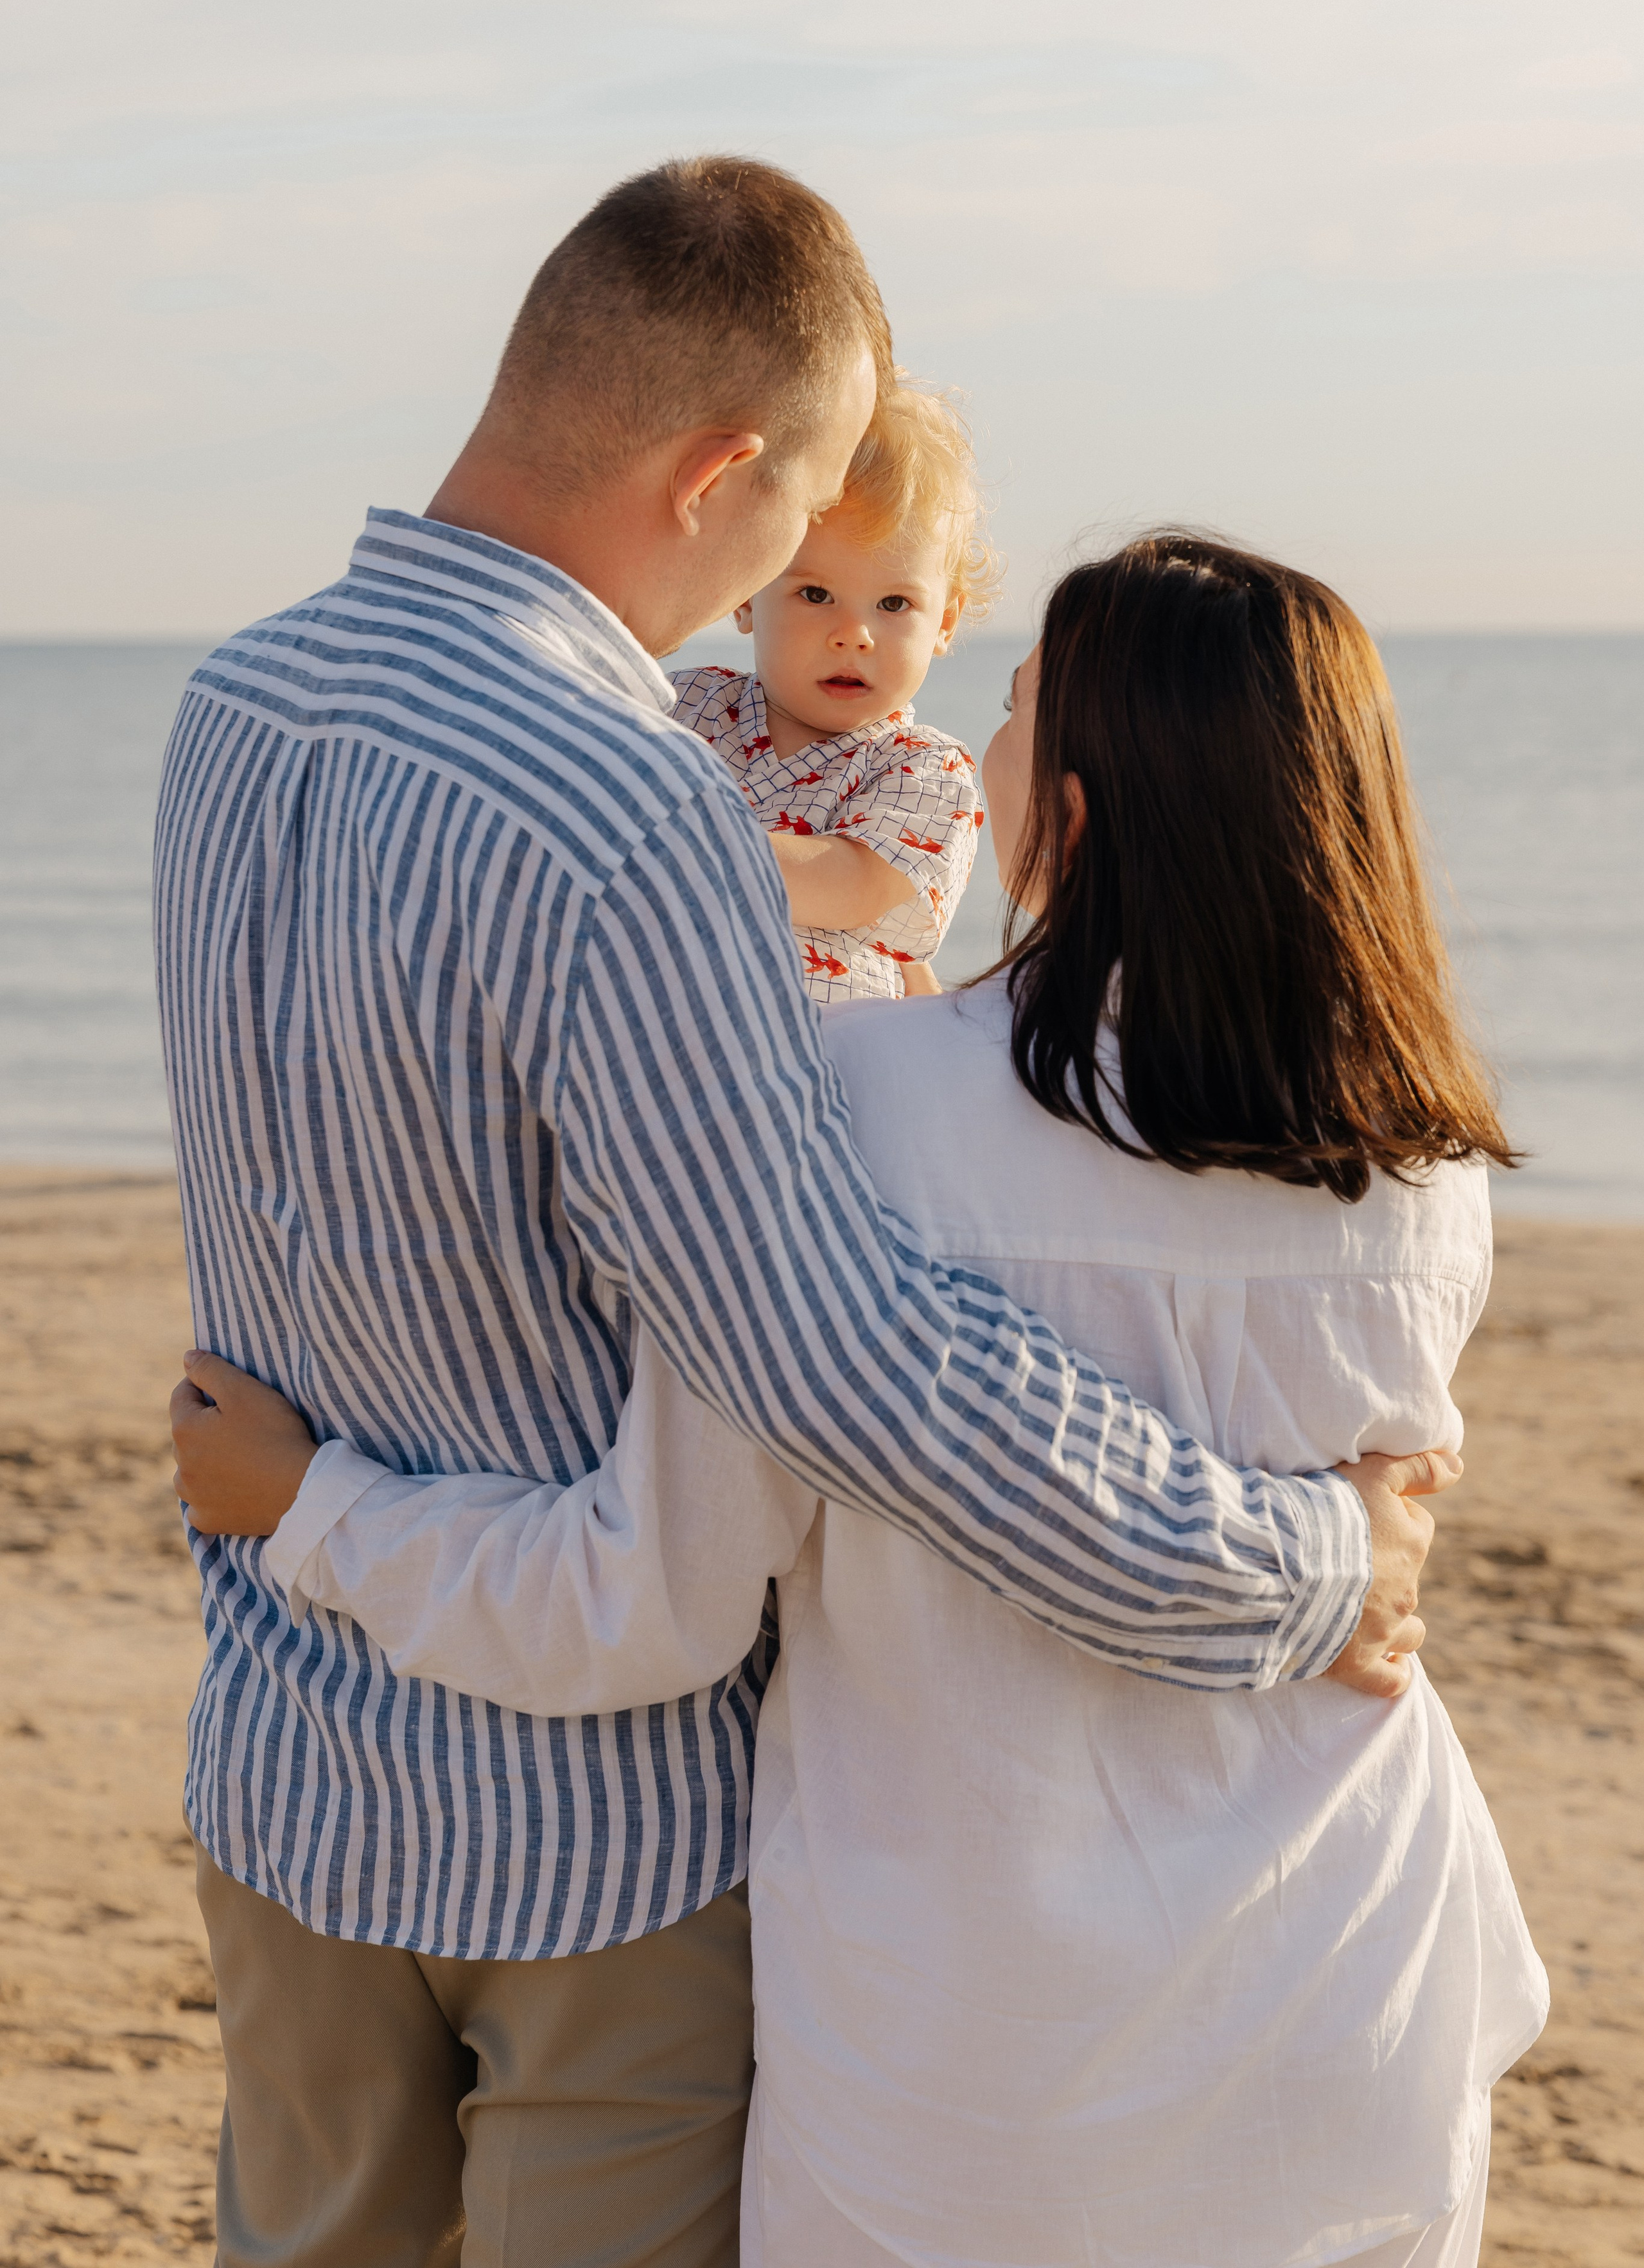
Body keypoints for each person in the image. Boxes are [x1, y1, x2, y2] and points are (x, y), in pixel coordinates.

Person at [159, 153, 1452, 2268]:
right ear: (729, 472)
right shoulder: (630, 802)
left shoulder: (238, 702)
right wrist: (1304, 1562)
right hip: (593, 1843)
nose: (823, 600)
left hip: (291, 1767)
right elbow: (844, 1357)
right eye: (809, 518)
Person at [672, 380, 993, 1001]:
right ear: (746, 589)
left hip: (828, 1064)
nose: (855, 635)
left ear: (944, 623)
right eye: (815, 595)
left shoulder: (922, 767)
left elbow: (855, 884)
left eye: (894, 603)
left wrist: (684, 850)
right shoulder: (684, 707)